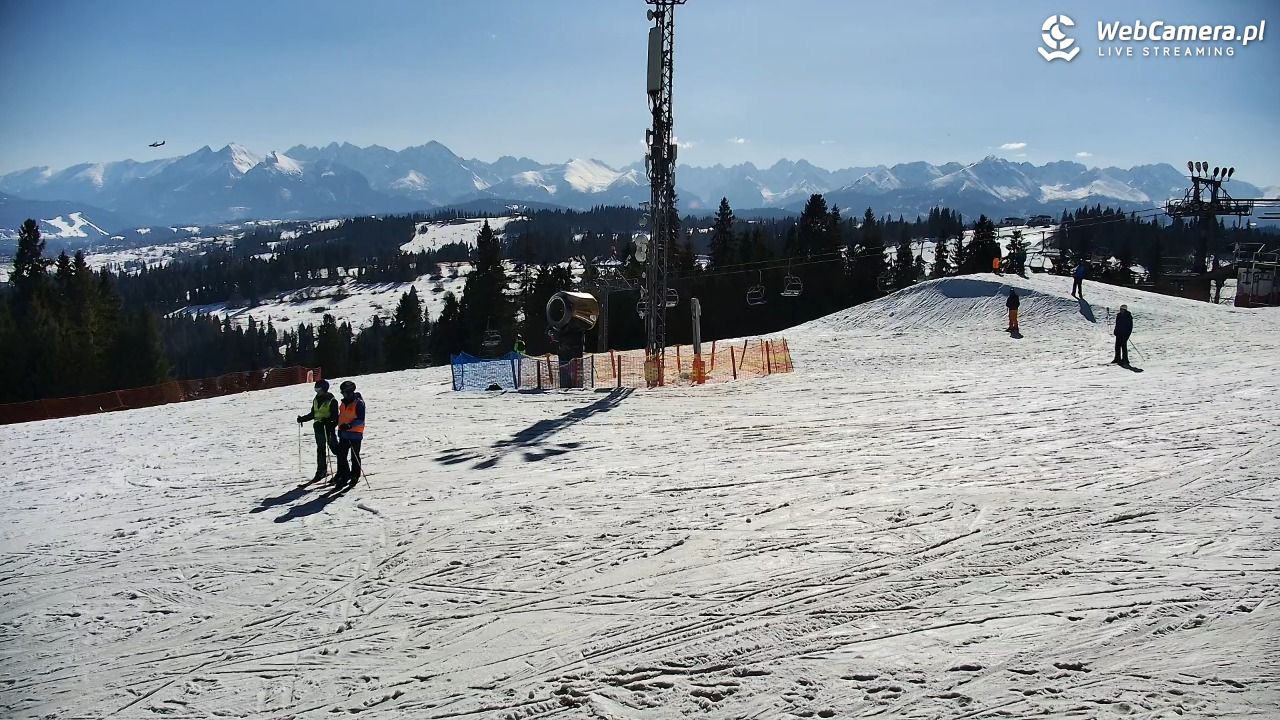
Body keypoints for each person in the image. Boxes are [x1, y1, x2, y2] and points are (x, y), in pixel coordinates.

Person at [297, 379, 338, 482]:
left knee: (334, 448)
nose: (316, 390)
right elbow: (313, 414)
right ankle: (321, 470)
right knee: (320, 449)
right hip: (318, 428)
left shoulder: (331, 400)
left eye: (318, 388)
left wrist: (328, 422)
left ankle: (343, 469)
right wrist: (303, 419)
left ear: (323, 389)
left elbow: (335, 416)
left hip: (327, 428)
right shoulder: (316, 399)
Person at [334, 380, 366, 485]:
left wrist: (349, 425)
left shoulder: (359, 403)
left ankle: (355, 475)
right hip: (343, 434)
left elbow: (361, 419)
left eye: (345, 392)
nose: (343, 394)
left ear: (350, 392)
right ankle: (345, 474)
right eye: (342, 392)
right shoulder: (343, 403)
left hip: (355, 434)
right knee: (341, 455)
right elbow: (342, 416)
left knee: (354, 456)